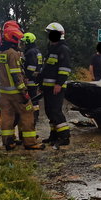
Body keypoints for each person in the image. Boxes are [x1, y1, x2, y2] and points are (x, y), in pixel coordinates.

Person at [0, 26, 45, 150]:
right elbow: (16, 74)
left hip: (3, 92)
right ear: (13, 39)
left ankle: (8, 142)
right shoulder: (12, 54)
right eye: (17, 40)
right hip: (16, 92)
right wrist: (24, 92)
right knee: (28, 113)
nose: (19, 43)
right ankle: (30, 142)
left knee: (7, 116)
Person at [39, 22, 71, 150]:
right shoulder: (51, 49)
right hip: (48, 87)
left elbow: (65, 69)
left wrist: (59, 83)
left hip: (56, 87)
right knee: (49, 111)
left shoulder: (63, 49)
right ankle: (54, 135)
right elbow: (47, 69)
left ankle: (64, 137)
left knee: (56, 112)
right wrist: (41, 84)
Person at [21, 32, 43, 123]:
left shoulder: (30, 52)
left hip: (31, 79)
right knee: (35, 98)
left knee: (31, 98)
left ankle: (33, 116)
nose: (23, 44)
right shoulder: (37, 51)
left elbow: (31, 67)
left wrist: (27, 76)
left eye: (24, 42)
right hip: (36, 78)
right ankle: (36, 115)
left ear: (28, 42)